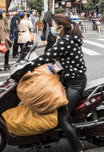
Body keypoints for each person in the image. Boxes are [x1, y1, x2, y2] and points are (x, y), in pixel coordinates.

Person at [31, 14, 86, 152]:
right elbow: (53, 57)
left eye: (54, 26)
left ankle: (78, 148)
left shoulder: (66, 40)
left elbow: (48, 55)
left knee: (63, 118)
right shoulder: (64, 38)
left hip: (75, 83)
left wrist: (30, 65)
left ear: (61, 27)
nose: (52, 29)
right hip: (68, 79)